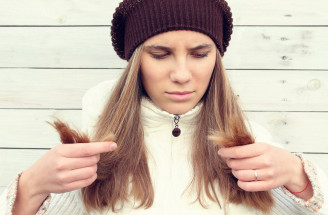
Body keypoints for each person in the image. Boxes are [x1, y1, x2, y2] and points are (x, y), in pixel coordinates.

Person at [0, 0, 327, 214]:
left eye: (200, 54)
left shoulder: (253, 143)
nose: (182, 75)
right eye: (160, 54)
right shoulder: (92, 147)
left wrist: (300, 177)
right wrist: (30, 187)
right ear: (135, 62)